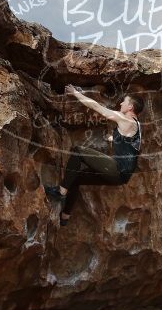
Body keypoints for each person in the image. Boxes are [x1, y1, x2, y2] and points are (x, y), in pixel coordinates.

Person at [44, 85, 143, 225]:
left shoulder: (125, 119)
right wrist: (114, 139)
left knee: (78, 151)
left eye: (124, 102)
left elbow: (97, 107)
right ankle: (65, 217)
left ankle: (61, 192)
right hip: (122, 175)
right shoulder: (138, 125)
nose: (121, 103)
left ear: (130, 107)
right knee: (76, 178)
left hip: (118, 170)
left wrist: (75, 93)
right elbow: (135, 148)